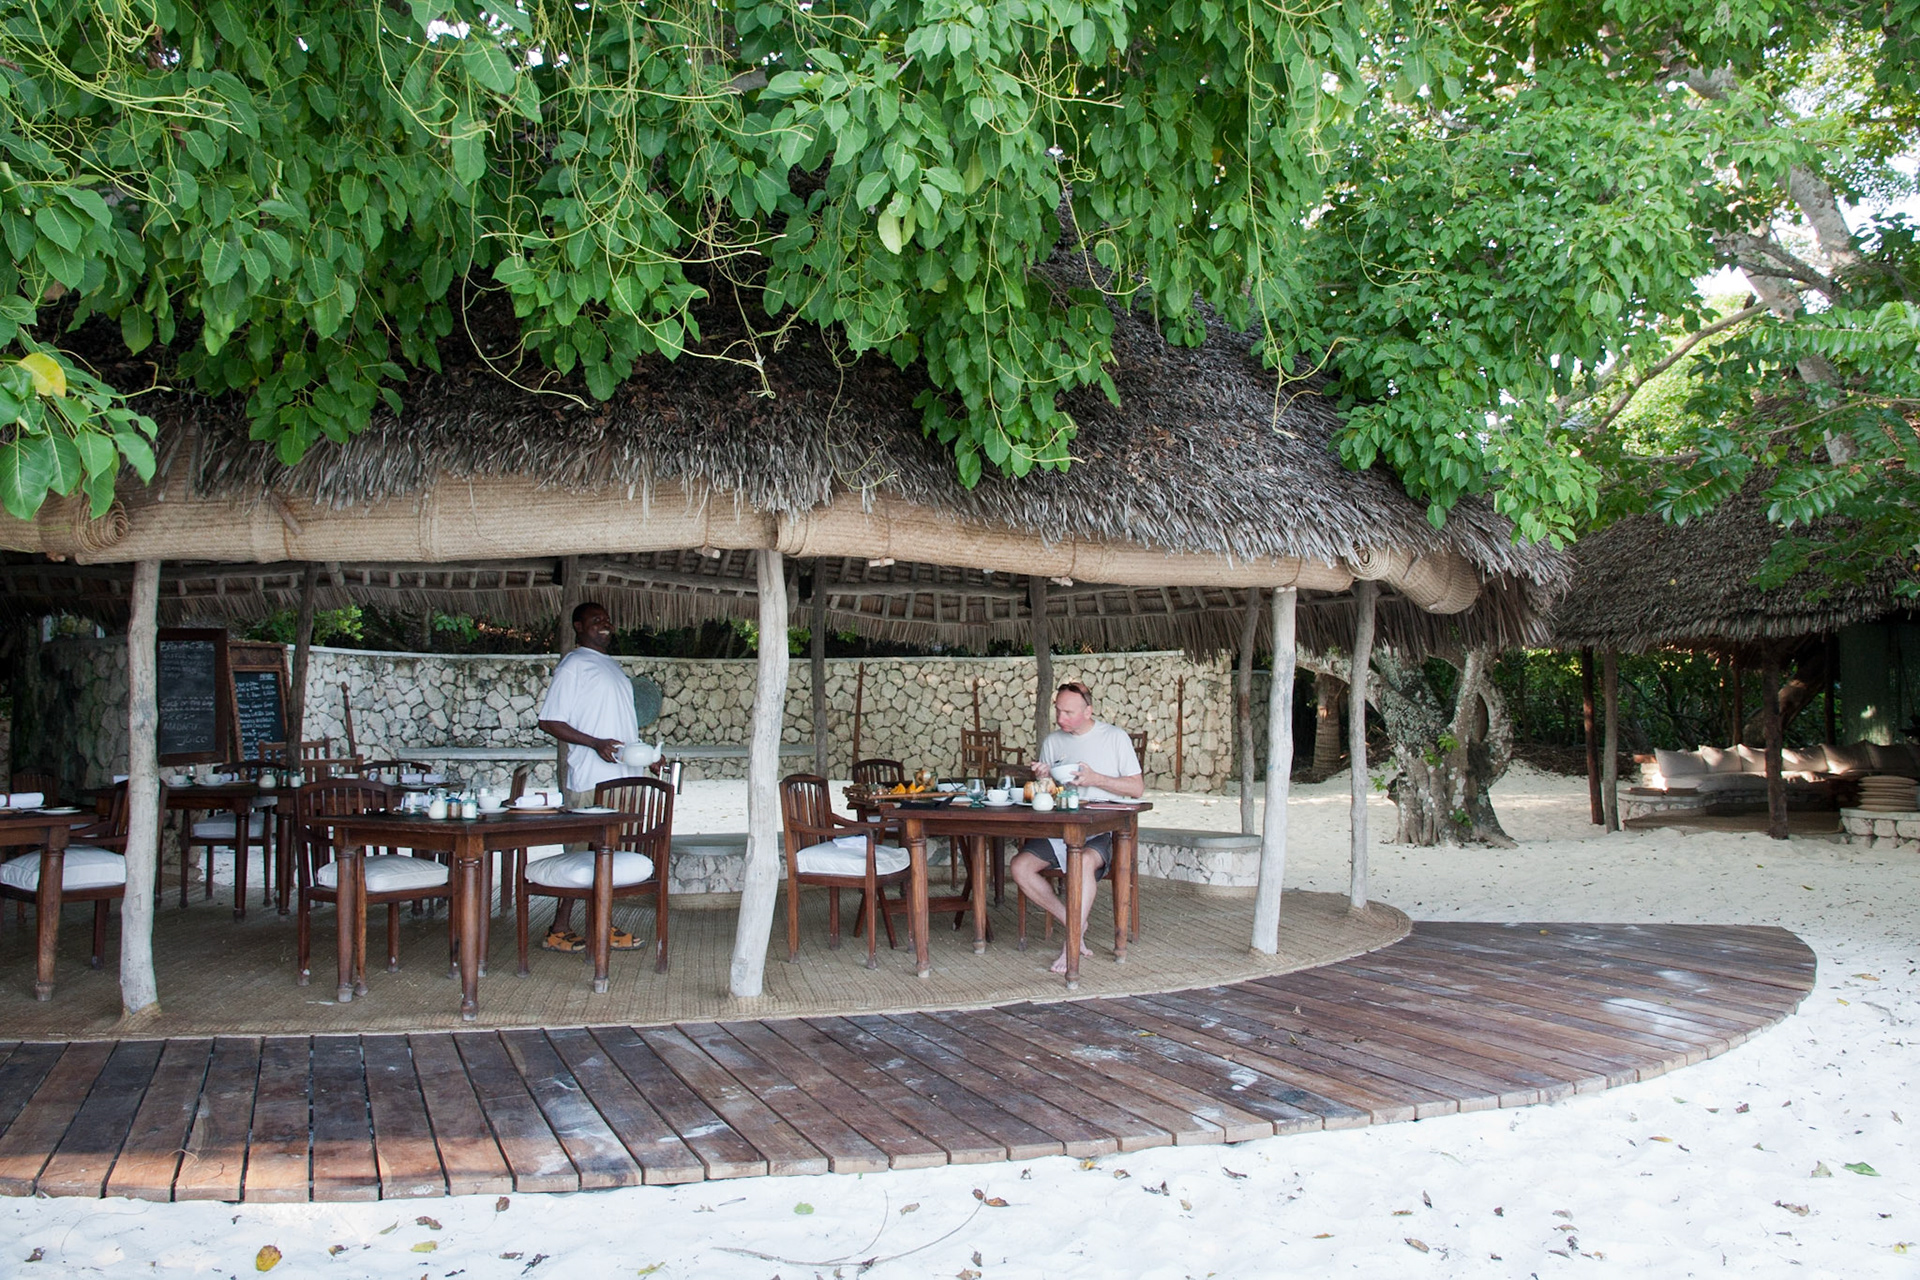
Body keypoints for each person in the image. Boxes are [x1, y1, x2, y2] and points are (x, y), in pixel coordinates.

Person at [1008, 679, 1144, 974]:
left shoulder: (1115, 738)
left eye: (1068, 712)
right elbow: (1048, 794)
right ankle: (1075, 923)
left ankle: (1070, 947)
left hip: (1101, 826)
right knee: (1019, 866)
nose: (1060, 718)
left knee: (1081, 862)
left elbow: (1137, 788)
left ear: (1088, 710)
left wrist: (1097, 779)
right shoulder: (1052, 742)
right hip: (1061, 826)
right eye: (1058, 711)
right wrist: (1043, 778)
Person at [535, 602, 639, 951]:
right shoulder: (575, 665)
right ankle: (558, 929)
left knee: (605, 853)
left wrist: (646, 757)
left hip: (620, 777)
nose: (605, 624)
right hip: (591, 780)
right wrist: (594, 743)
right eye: (596, 620)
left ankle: (600, 924)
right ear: (578, 626)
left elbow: (619, 727)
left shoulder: (611, 667)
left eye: (607, 619)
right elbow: (550, 720)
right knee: (581, 854)